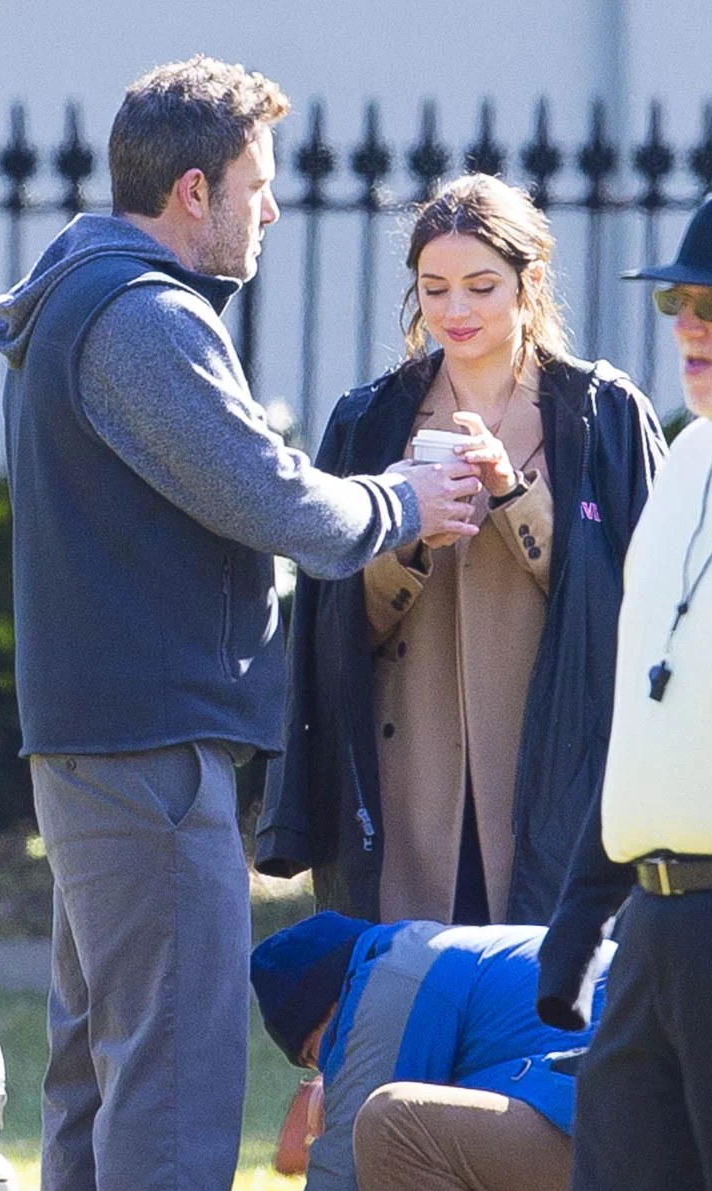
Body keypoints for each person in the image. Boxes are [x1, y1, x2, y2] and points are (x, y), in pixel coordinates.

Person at [0, 56, 477, 1191]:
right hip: (153, 753)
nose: (272, 210)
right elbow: (271, 501)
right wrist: (404, 499)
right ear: (194, 190)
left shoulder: (86, 295)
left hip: (106, 745)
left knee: (102, 1079)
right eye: (257, 186)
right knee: (172, 1084)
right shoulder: (142, 316)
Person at [257, 173, 667, 926]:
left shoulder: (603, 414)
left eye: (481, 287)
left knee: (544, 989)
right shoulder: (369, 419)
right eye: (434, 289)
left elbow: (638, 608)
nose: (455, 312)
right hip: (408, 781)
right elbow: (333, 623)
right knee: (415, 984)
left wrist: (514, 496)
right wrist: (407, 538)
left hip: (557, 777)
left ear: (529, 282)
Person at [537, 192, 712, 1191]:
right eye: (675, 302)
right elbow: (645, 719)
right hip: (653, 929)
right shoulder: (687, 456)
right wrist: (578, 927)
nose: (688, 324)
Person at [251, 912, 614, 1191]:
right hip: (615, 1123)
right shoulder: (435, 953)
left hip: (620, 1138)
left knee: (391, 1125)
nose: (326, 1071)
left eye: (314, 1054)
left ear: (330, 1009)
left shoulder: (389, 983)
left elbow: (341, 1179)